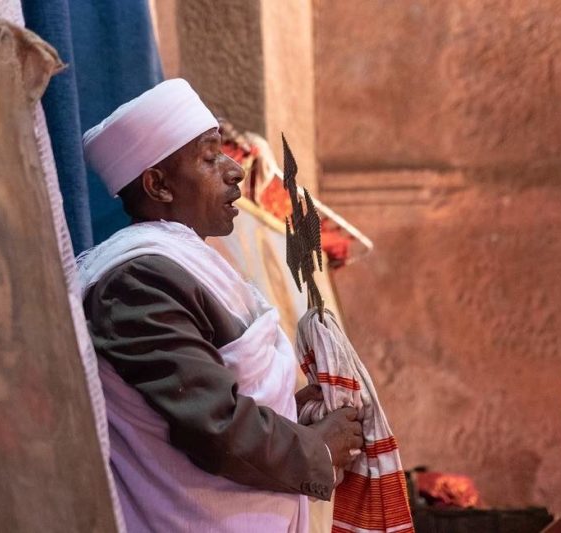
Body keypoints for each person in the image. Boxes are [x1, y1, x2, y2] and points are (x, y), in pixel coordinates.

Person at [78, 78, 363, 533]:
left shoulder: (183, 263)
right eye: (210, 158)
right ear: (158, 185)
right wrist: (319, 449)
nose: (234, 171)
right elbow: (211, 425)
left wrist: (289, 408)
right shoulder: (138, 280)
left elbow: (209, 390)